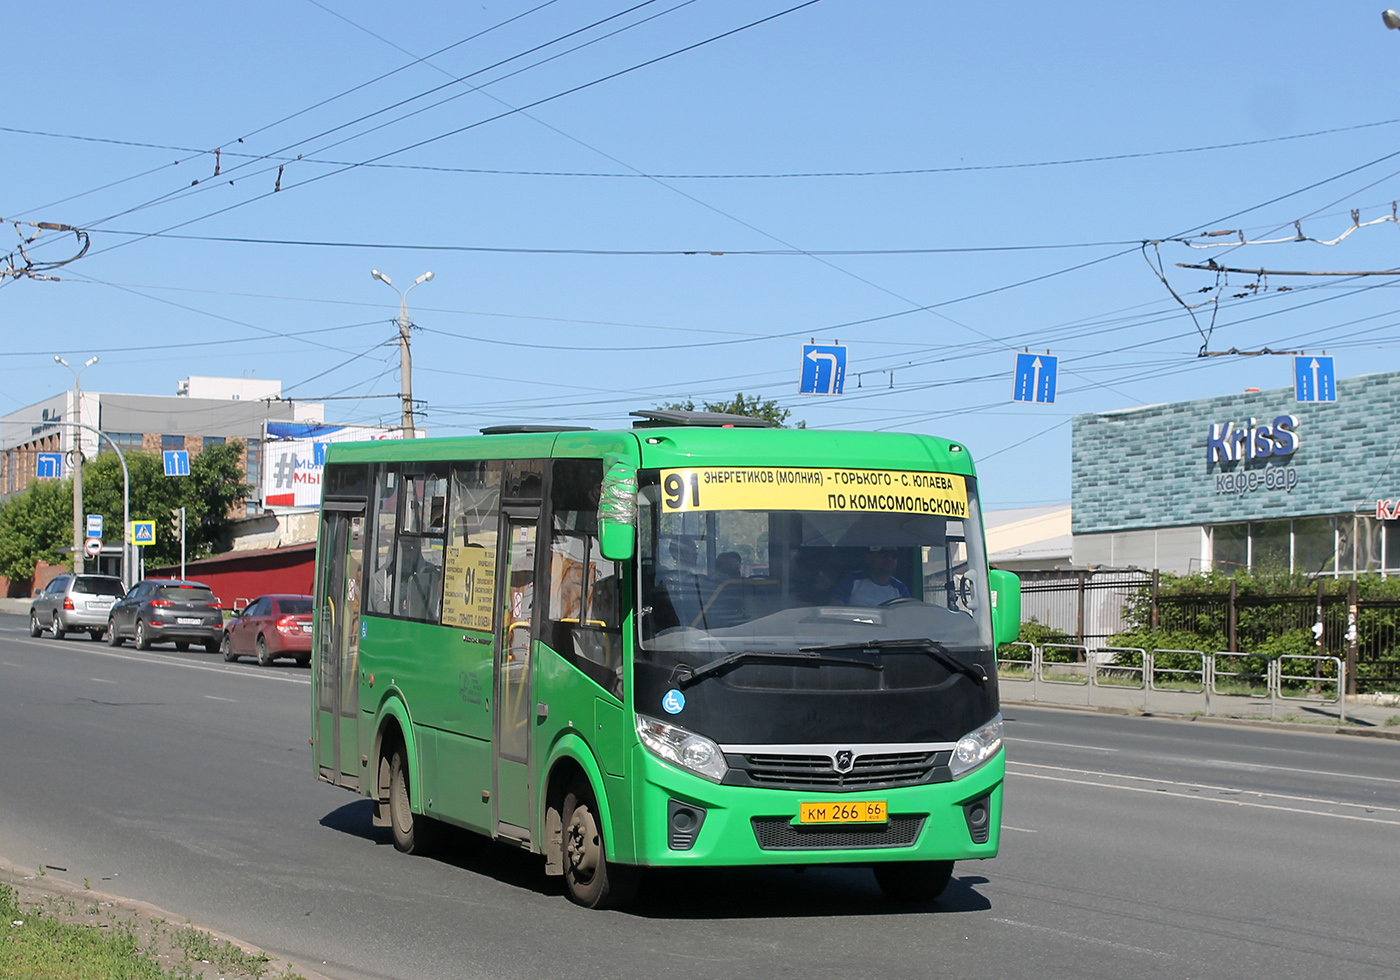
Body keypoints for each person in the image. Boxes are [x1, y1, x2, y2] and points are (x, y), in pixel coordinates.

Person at [831, 547, 911, 606]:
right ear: (869, 557)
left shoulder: (900, 588)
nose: (889, 559)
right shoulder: (852, 581)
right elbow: (836, 608)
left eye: (894, 555)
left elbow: (909, 613)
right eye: (883, 554)